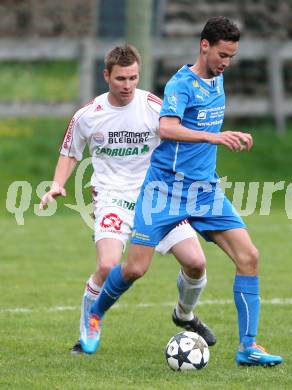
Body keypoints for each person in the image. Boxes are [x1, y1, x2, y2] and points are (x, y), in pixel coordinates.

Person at [83, 17, 283, 367]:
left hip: (205, 191)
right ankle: (95, 314)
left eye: (232, 56)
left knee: (249, 256)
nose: (226, 63)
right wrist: (214, 136)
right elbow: (168, 127)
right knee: (134, 268)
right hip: (165, 190)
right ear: (204, 45)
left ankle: (248, 347)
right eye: (222, 54)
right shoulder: (181, 84)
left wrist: (219, 140)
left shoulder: (217, 80)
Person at [39, 44, 216, 354]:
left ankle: (184, 314)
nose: (127, 85)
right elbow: (70, 153)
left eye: (133, 78)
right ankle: (89, 328)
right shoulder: (87, 116)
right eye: (121, 78)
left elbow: (178, 139)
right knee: (108, 265)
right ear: (106, 75)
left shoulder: (153, 107)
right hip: (112, 198)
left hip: (158, 197)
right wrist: (57, 184)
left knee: (197, 263)